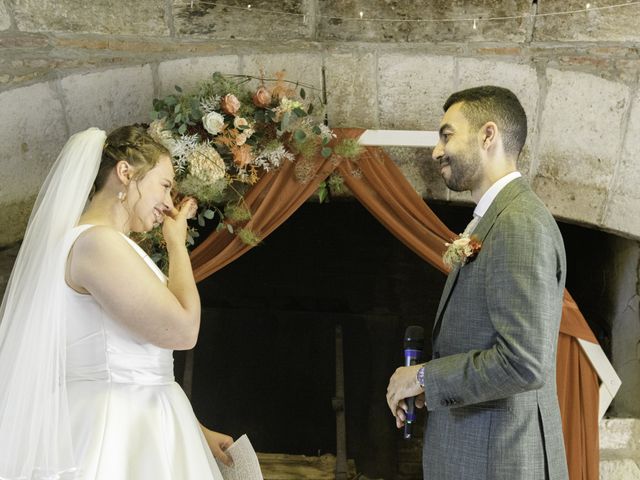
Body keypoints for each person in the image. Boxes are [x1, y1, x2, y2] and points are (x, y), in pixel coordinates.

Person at [0, 126, 233, 479]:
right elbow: (184, 330)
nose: (169, 205)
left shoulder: (113, 245)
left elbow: (137, 363)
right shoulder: (97, 244)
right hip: (113, 432)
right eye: (165, 185)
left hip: (148, 423)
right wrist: (176, 245)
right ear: (125, 174)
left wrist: (199, 434)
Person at [386, 86, 569, 479]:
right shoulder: (498, 219)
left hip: (499, 462)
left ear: (488, 136)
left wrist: (422, 377)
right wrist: (426, 387)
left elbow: (522, 363)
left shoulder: (519, 224)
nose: (437, 151)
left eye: (447, 135)